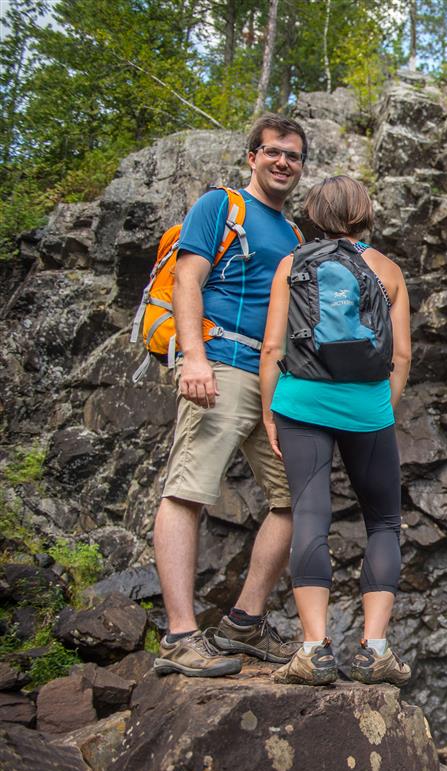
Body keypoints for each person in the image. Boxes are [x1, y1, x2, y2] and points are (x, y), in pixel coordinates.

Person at [151, 114, 308, 677]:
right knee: (189, 490)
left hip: (272, 382)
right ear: (252, 157)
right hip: (218, 365)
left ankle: (243, 623)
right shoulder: (221, 206)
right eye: (273, 152)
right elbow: (187, 280)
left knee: (298, 497)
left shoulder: (293, 236)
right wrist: (193, 358)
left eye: (293, 156)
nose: (283, 162)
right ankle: (180, 635)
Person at [259, 175, 413, 685]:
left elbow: (272, 349)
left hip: (301, 402)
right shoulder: (387, 269)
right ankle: (374, 649)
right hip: (368, 407)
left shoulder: (292, 263)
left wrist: (269, 411)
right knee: (385, 523)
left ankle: (314, 649)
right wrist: (376, 408)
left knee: (309, 514)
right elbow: (402, 356)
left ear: (314, 213)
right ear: (365, 213)